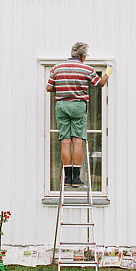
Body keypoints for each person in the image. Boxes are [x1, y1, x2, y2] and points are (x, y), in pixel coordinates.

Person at [46, 42, 111, 186]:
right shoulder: (86, 69)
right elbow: (100, 84)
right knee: (77, 141)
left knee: (65, 141)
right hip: (78, 105)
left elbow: (49, 87)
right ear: (82, 56)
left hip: (62, 105)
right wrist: (108, 71)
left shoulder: (57, 68)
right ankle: (76, 178)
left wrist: (64, 88)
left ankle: (67, 178)